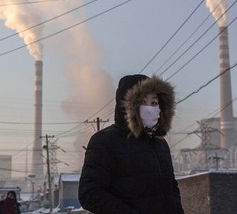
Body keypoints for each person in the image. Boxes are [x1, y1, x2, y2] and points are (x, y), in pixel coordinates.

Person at [79, 74, 185, 213]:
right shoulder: (105, 141)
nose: (150, 108)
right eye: (142, 102)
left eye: (154, 103)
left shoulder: (160, 144)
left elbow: (171, 189)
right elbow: (89, 193)